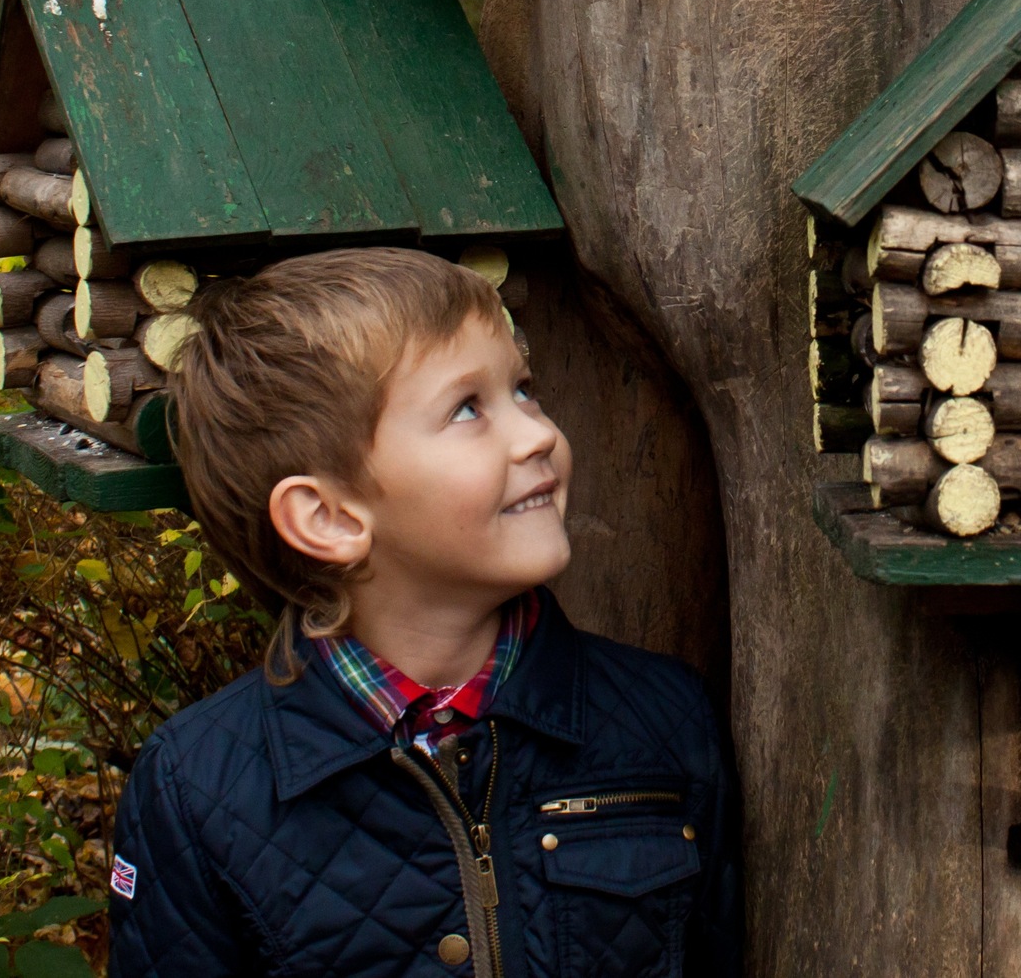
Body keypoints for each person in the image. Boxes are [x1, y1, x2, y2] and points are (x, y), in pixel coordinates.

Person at [106, 249, 739, 977]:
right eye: (468, 408)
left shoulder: (663, 718)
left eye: (523, 390)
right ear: (329, 518)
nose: (537, 433)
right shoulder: (195, 790)